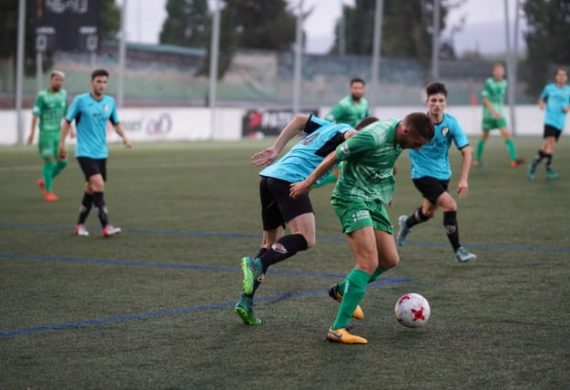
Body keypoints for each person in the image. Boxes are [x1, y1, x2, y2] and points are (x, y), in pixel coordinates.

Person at [290, 113, 434, 344]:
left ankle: (342, 289)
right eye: (416, 144)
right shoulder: (372, 138)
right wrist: (308, 183)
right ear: (406, 131)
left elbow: (386, 165)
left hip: (373, 198)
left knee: (389, 259)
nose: (415, 149)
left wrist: (386, 192)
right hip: (351, 197)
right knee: (368, 262)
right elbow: (334, 156)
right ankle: (338, 329)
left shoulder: (399, 138)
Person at [235, 114, 378, 326]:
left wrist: (276, 148)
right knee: (306, 237)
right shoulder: (351, 133)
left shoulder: (330, 125)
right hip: (291, 180)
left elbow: (300, 119)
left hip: (270, 178)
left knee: (270, 243)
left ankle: (246, 301)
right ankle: (258, 265)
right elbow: (352, 136)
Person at [396, 82, 476, 263]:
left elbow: (466, 151)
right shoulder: (415, 123)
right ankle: (459, 251)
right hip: (422, 175)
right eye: (433, 100)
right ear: (427, 102)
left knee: (428, 212)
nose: (437, 104)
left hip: (443, 175)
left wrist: (464, 180)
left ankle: (406, 223)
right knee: (450, 206)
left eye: (441, 100)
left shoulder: (451, 123)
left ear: (445, 102)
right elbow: (398, 141)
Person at [59, 69, 132, 237]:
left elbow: (116, 123)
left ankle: (79, 225)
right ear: (92, 82)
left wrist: (125, 137)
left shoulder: (110, 102)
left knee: (91, 189)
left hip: (101, 153)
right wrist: (61, 145)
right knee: (99, 184)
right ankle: (106, 226)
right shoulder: (80, 101)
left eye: (105, 82)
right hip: (84, 152)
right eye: (99, 81)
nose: (102, 85)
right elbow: (67, 122)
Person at [27, 70, 69, 202]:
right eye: (56, 79)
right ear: (51, 80)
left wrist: (71, 130)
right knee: (49, 163)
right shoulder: (42, 96)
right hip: (46, 134)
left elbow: (66, 114)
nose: (59, 82)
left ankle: (44, 179)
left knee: (63, 162)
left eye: (61, 80)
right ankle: (48, 192)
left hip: (58, 134)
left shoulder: (63, 94)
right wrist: (32, 133)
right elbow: (35, 115)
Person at [474, 63, 524, 167]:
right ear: (493, 72)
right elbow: (485, 100)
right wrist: (494, 112)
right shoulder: (489, 82)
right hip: (488, 114)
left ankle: (514, 159)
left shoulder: (504, 83)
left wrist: (498, 113)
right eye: (497, 70)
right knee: (485, 136)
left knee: (506, 134)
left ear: (503, 72)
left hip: (499, 115)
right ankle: (477, 160)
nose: (499, 72)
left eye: (501, 70)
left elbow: (499, 100)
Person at [528, 68, 570, 181]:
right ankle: (548, 169)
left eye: (564, 75)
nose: (561, 77)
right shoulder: (549, 88)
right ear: (556, 77)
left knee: (548, 146)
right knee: (550, 142)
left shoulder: (568, 90)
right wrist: (541, 104)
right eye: (559, 75)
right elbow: (542, 98)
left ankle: (534, 164)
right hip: (550, 120)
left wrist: (568, 108)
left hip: (560, 122)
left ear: (566, 78)